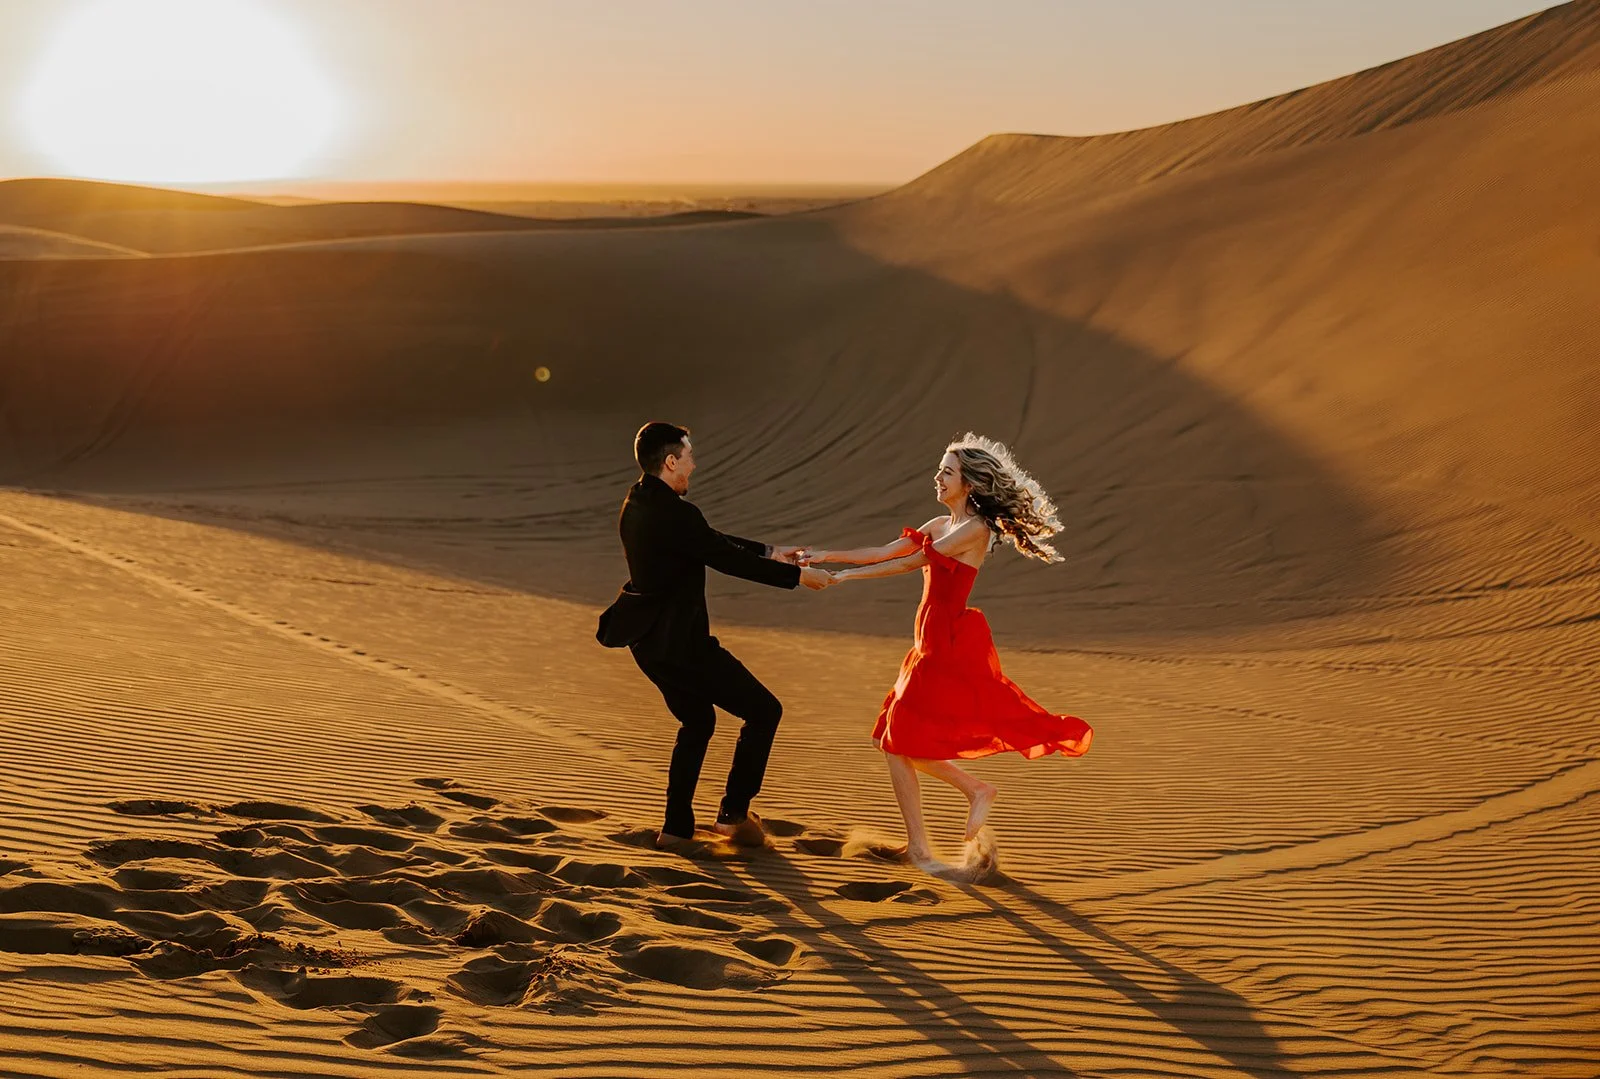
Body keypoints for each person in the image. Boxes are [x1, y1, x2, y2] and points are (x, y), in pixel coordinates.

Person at [801, 432, 1092, 865]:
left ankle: (946, 819)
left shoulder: (974, 529)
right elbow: (884, 550)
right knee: (896, 740)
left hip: (946, 643)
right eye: (940, 470)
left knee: (896, 738)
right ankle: (961, 804)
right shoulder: (939, 525)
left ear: (969, 484)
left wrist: (842, 580)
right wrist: (828, 554)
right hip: (926, 639)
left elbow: (909, 562)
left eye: (947, 472)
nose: (938, 478)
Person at [597, 422, 832, 849]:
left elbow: (706, 542)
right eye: (688, 456)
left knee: (698, 721)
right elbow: (722, 557)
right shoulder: (677, 513)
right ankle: (733, 815)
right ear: (670, 462)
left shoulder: (638, 501)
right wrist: (798, 577)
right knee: (764, 711)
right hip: (682, 645)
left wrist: (767, 551)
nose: (694, 464)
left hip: (648, 643)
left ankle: (676, 828)